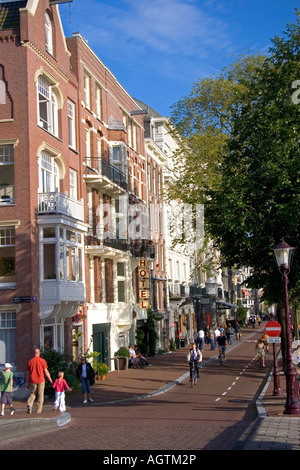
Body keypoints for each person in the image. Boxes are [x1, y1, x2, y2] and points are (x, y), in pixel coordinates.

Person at [26, 348, 53, 414]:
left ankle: (29, 404)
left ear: (34, 353)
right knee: (40, 395)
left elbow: (28, 373)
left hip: (32, 380)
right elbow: (46, 371)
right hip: (41, 380)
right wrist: (50, 380)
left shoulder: (30, 361)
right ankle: (38, 411)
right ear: (39, 353)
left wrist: (27, 382)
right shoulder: (42, 361)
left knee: (33, 393)